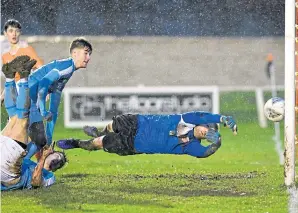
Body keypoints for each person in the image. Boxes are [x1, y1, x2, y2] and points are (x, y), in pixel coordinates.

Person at [1, 56, 66, 191]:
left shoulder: (49, 176)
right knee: (15, 116)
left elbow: (36, 183)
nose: (58, 160)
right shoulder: (31, 161)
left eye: (59, 162)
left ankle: (23, 76)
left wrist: (42, 158)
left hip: (9, 174)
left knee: (22, 117)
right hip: (7, 164)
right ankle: (9, 78)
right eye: (58, 156)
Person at [57, 112, 237, 158]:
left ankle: (78, 143)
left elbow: (202, 153)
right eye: (206, 126)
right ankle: (100, 130)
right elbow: (203, 114)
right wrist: (222, 118)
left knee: (97, 143)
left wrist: (216, 145)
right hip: (138, 121)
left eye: (209, 132)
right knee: (115, 123)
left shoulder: (189, 146)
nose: (205, 130)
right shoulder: (187, 119)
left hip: (133, 144)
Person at [25, 38, 93, 160]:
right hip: (25, 95)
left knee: (38, 141)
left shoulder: (68, 71)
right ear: (75, 53)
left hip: (29, 97)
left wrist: (49, 138)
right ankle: (18, 169)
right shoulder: (66, 66)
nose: (88, 58)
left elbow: (54, 110)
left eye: (90, 54)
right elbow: (43, 84)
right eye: (86, 53)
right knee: (29, 139)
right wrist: (43, 109)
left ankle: (27, 168)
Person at [1, 19, 43, 104]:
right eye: (11, 31)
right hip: (13, 93)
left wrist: (43, 88)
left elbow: (40, 69)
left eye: (17, 31)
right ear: (5, 33)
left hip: (26, 90)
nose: (14, 34)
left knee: (22, 116)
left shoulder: (27, 50)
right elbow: (11, 79)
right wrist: (2, 96)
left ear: (20, 33)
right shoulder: (5, 56)